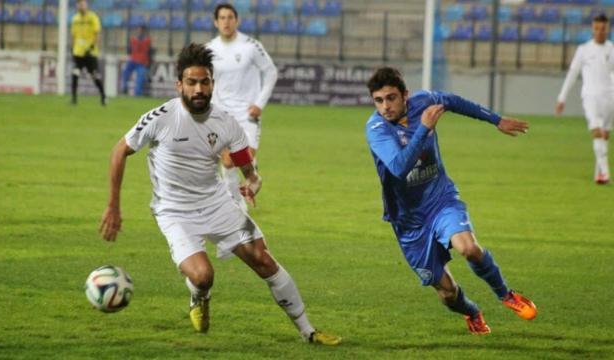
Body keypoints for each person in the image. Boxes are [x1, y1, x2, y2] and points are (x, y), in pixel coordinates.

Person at [99, 43, 340, 345]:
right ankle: (200, 298)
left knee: (265, 261)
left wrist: (252, 184)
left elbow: (250, 173)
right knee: (202, 276)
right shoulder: (160, 118)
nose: (198, 88)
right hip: (175, 212)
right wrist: (113, 206)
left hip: (217, 205)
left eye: (204, 81)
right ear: (179, 85)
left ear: (213, 83)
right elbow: (119, 151)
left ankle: (309, 331)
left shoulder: (226, 123)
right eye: (191, 82)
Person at [365, 67, 537, 335]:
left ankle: (506, 294)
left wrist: (496, 120)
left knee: (469, 248)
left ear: (405, 95)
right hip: (408, 220)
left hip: (440, 199)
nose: (385, 106)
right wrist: (424, 128)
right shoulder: (376, 128)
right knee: (446, 292)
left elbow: (454, 101)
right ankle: (472, 313)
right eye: (378, 100)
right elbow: (399, 167)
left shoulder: (423, 102)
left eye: (391, 98)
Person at [206, 3, 278, 210]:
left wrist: (259, 104)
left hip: (248, 114)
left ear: (236, 21)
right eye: (222, 18)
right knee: (227, 161)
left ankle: (253, 176)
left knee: (244, 159)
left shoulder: (250, 46)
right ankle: (236, 207)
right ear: (216, 22)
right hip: (221, 113)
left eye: (230, 17)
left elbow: (271, 72)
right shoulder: (210, 49)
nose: (226, 22)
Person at [556, 14, 614, 185]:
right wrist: (562, 97)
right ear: (592, 29)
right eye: (596, 28)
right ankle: (606, 173)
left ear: (608, 29)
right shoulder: (584, 50)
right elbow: (572, 74)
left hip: (609, 97)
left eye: (603, 28)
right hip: (590, 96)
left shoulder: (611, 49)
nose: (600, 32)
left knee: (604, 135)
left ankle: (599, 174)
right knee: (596, 131)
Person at [70, 0, 106, 106]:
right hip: (78, 52)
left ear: (87, 5)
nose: (80, 5)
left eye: (82, 3)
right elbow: (73, 35)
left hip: (90, 53)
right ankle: (74, 99)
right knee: (75, 73)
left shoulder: (93, 18)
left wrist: (92, 46)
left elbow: (97, 34)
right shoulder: (75, 18)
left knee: (95, 75)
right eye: (79, 3)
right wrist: (72, 48)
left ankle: (103, 96)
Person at [121, 25, 152, 97]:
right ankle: (124, 89)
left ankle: (137, 94)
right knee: (125, 73)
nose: (139, 32)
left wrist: (148, 63)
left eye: (140, 30)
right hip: (133, 61)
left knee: (140, 77)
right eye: (138, 30)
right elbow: (129, 50)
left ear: (144, 31)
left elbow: (149, 52)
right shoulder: (133, 40)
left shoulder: (147, 41)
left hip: (142, 62)